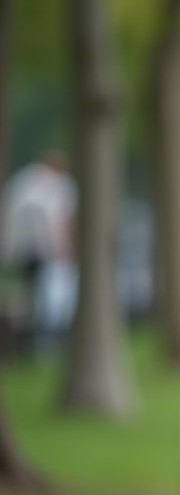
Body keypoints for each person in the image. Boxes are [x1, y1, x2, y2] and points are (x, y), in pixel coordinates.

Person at [0, 149, 78, 352]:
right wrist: (66, 249)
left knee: (32, 294)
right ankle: (47, 339)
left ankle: (32, 341)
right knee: (51, 296)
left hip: (22, 250)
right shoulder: (60, 185)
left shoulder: (21, 181)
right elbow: (59, 219)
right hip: (49, 250)